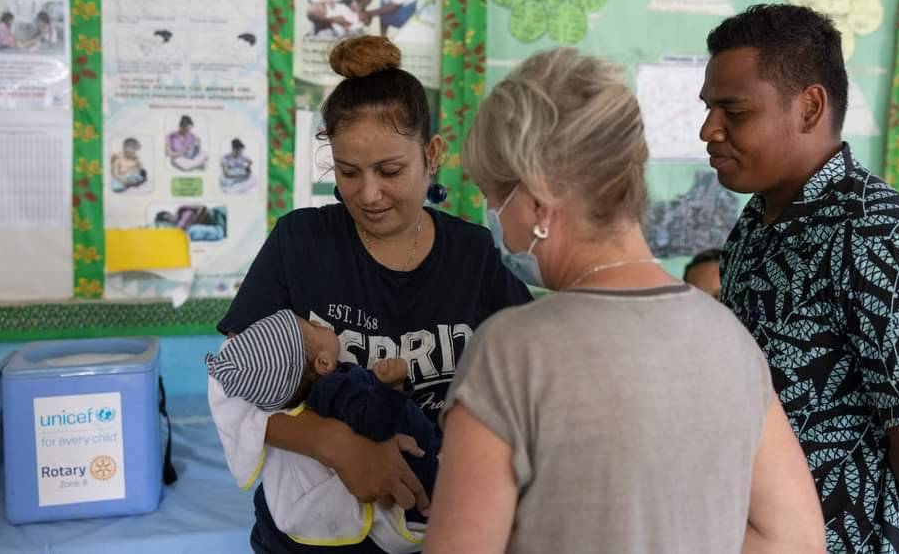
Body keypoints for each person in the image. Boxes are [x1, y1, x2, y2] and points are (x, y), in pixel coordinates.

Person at [422, 47, 825, 554]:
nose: (494, 217)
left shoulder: (511, 351)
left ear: (538, 198)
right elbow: (795, 539)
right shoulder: (728, 338)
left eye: (495, 197)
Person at [208, 35, 532, 554]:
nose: (369, 194)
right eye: (347, 172)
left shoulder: (474, 257)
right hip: (308, 535)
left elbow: (527, 382)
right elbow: (233, 386)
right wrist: (338, 446)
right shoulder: (301, 243)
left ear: (432, 155)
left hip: (442, 526)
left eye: (390, 171)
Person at [702, 4, 899, 553]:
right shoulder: (759, 224)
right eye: (709, 108)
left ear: (809, 106)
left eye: (732, 111)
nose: (708, 129)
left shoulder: (880, 236)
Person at [206, 310, 439, 551]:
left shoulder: (308, 398)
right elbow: (375, 426)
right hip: (411, 491)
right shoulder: (337, 386)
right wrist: (391, 388)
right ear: (323, 363)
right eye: (314, 327)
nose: (318, 322)